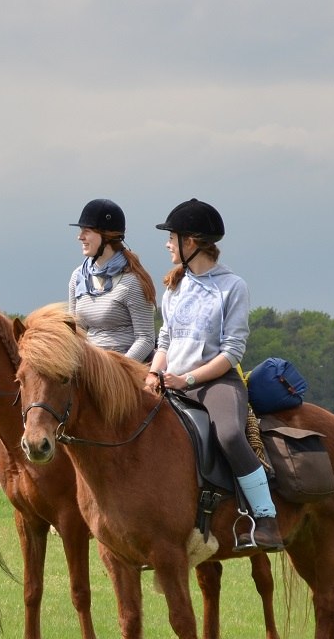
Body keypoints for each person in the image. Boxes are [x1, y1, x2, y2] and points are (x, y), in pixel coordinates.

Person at [142, 199, 283, 550]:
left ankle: (265, 519)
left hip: (215, 382)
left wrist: (187, 380)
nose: (167, 244)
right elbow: (165, 340)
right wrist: (152, 373)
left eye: (171, 238)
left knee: (232, 435)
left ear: (190, 242)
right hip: (170, 380)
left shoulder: (233, 287)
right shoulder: (173, 287)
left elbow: (231, 352)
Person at [67, 198, 157, 362]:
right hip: (90, 367)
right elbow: (75, 332)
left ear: (106, 235)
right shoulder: (77, 277)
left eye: (87, 231)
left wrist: (117, 371)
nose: (80, 237)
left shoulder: (132, 282)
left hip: (124, 369)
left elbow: (146, 339)